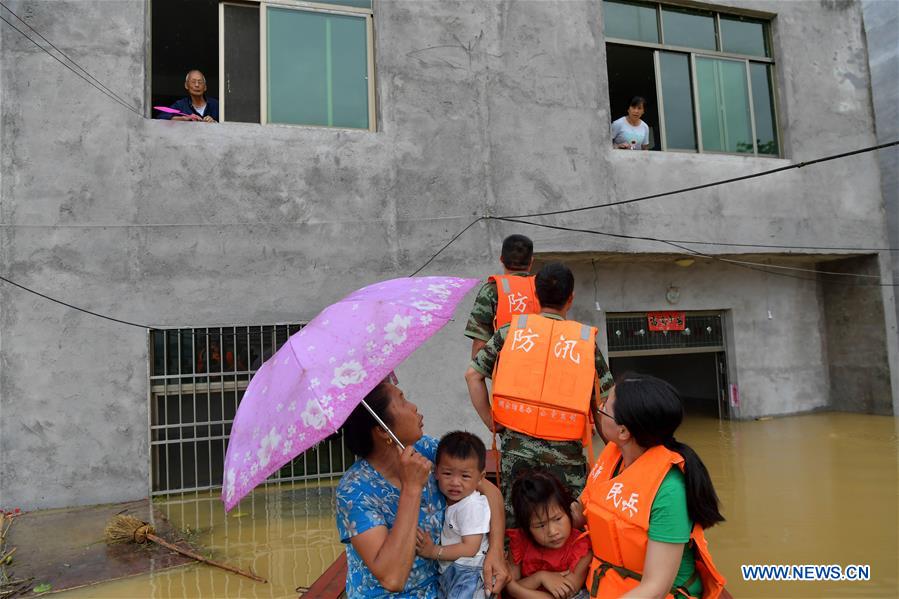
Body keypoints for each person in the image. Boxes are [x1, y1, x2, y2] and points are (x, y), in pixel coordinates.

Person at [465, 262, 614, 526]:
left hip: (516, 455)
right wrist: (615, 457)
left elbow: (473, 376)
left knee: (519, 526)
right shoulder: (584, 342)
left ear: (535, 295)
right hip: (566, 460)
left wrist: (491, 422)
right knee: (566, 528)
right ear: (570, 298)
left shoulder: (510, 332)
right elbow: (604, 405)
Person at [336, 382, 509, 598]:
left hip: (444, 586)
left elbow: (490, 492)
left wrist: (496, 551)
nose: (414, 407)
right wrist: (412, 488)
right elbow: (392, 579)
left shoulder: (424, 449)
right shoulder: (355, 491)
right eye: (402, 401)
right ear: (382, 430)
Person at [575, 374, 728, 598]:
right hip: (606, 586)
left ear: (624, 431)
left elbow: (655, 589)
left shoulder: (669, 491)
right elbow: (579, 510)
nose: (599, 408)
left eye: (605, 406)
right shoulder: (614, 456)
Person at [414, 431, 491, 599]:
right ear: (436, 472)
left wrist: (434, 551)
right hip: (454, 571)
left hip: (468, 572)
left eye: (465, 476)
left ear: (480, 477)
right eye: (447, 473)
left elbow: (470, 548)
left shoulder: (472, 506)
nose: (455, 482)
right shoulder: (456, 502)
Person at [505, 469, 592, 599]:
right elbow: (507, 588)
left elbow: (566, 594)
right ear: (526, 527)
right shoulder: (520, 542)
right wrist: (540, 578)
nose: (552, 532)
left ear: (568, 510)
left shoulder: (581, 549)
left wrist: (515, 590)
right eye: (540, 525)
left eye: (557, 519)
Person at [464, 234, 540, 359]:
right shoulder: (543, 289)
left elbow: (480, 345)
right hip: (538, 367)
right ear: (531, 261)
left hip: (504, 368)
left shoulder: (491, 290)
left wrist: (476, 369)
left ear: (501, 259)